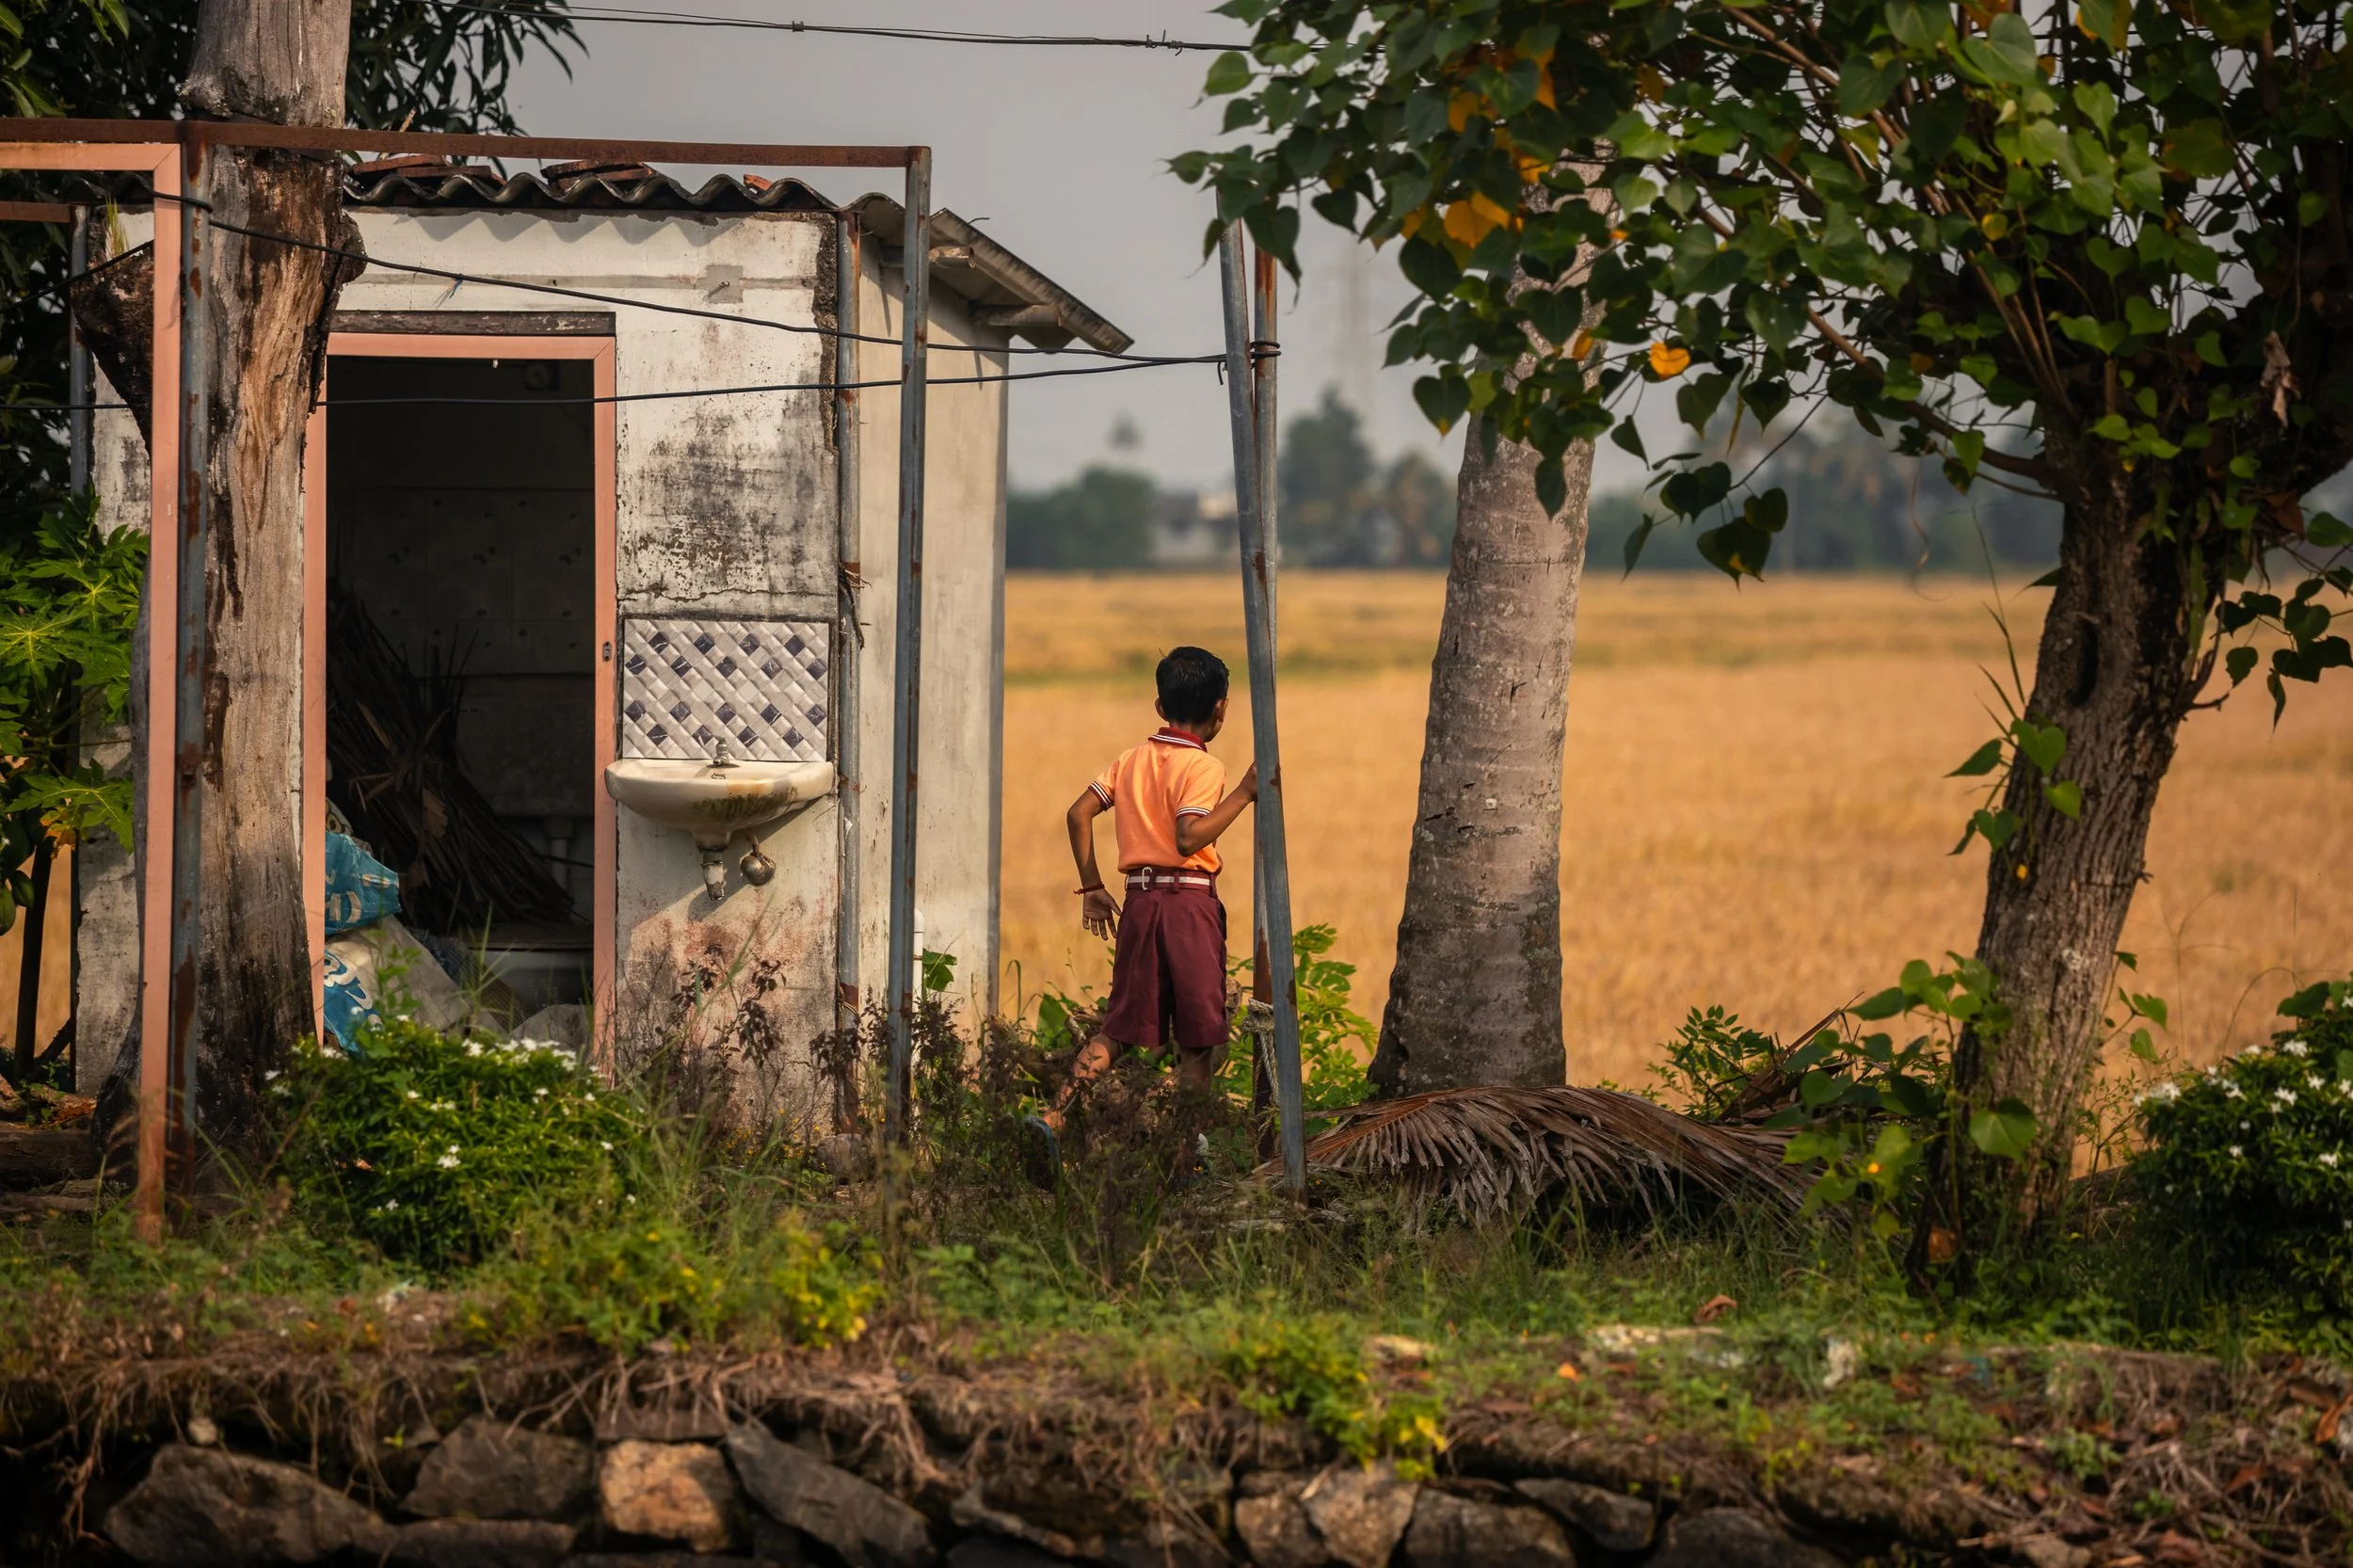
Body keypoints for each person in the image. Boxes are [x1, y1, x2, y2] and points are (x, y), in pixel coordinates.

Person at [1021, 646, 1257, 1185]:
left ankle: (1053, 1119)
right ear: (1220, 710)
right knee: (1201, 1041)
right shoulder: (1204, 766)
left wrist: (1091, 885)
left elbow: (1079, 812)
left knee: (1118, 1030)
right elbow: (1189, 836)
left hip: (1139, 901)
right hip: (1187, 904)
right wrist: (1244, 793)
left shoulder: (1130, 760)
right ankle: (1180, 1154)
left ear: (1158, 705)